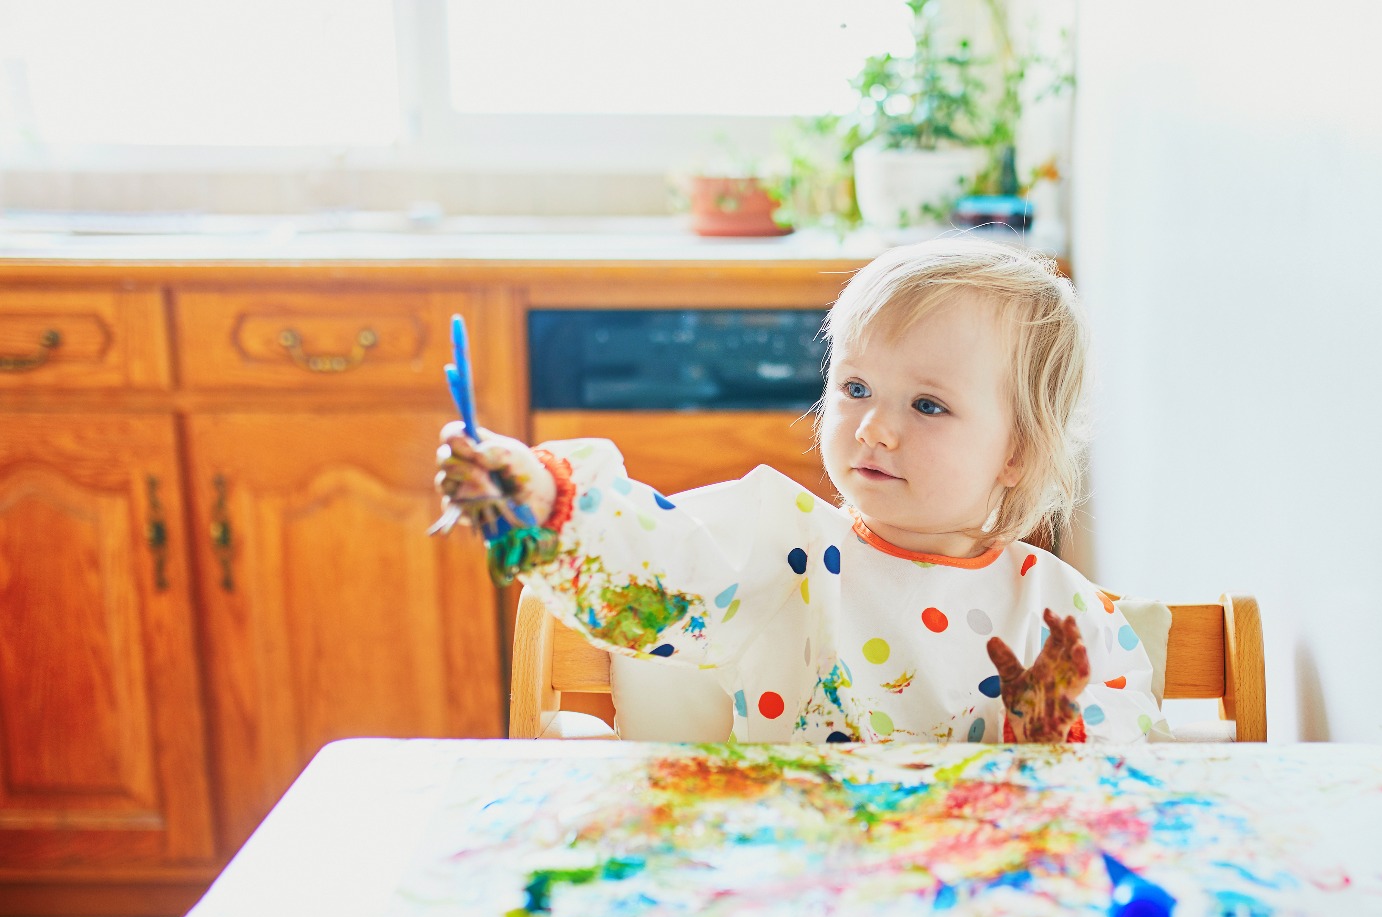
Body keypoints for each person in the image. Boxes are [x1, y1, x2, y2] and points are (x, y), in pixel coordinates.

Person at [436, 238, 1161, 744]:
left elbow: (1124, 794)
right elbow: (656, 566)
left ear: (1018, 451)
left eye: (928, 405)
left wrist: (1055, 747)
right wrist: (544, 499)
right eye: (856, 388)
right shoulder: (783, 554)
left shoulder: (1064, 622)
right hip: (803, 891)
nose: (874, 428)